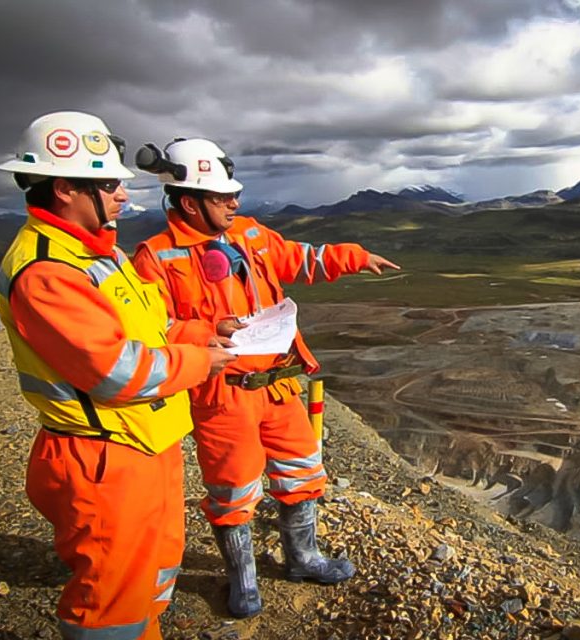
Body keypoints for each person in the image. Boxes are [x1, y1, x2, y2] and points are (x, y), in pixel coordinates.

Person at [131, 137, 400, 618]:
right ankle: (243, 579)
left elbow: (301, 258)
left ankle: (303, 557)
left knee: (302, 472)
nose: (234, 202)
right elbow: (153, 328)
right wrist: (208, 328)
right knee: (233, 490)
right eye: (220, 197)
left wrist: (355, 257)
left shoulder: (250, 235)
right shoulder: (155, 257)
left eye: (233, 193)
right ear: (189, 202)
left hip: (277, 384)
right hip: (221, 394)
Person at [0, 112, 236, 640]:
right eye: (108, 184)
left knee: (153, 571)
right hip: (102, 456)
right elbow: (117, 371)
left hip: (144, 444)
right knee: (111, 597)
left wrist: (202, 332)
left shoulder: (98, 253)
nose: (124, 196)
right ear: (63, 189)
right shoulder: (49, 271)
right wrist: (201, 364)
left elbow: (149, 327)